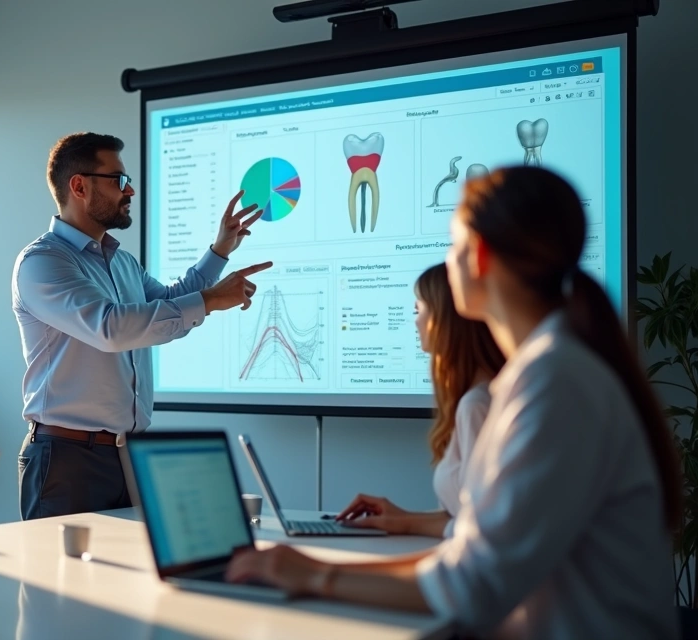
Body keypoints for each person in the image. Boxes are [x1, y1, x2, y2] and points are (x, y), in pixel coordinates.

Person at [226, 167, 681, 639]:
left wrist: (316, 576)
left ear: (480, 255)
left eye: (453, 244)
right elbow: (472, 555)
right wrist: (313, 567)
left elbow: (473, 584)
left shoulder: (556, 383)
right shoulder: (548, 372)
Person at [13, 132, 271, 520]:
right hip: (67, 461)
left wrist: (218, 252)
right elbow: (110, 328)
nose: (129, 189)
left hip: (128, 457)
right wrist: (212, 299)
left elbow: (168, 301)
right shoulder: (43, 262)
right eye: (118, 180)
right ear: (79, 186)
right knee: (60, 580)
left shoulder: (121, 262)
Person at [335, 263, 505, 537]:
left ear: (445, 320)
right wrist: (402, 519)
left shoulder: (477, 406)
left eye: (418, 310)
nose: (414, 321)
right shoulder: (477, 399)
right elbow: (466, 520)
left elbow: (484, 532)